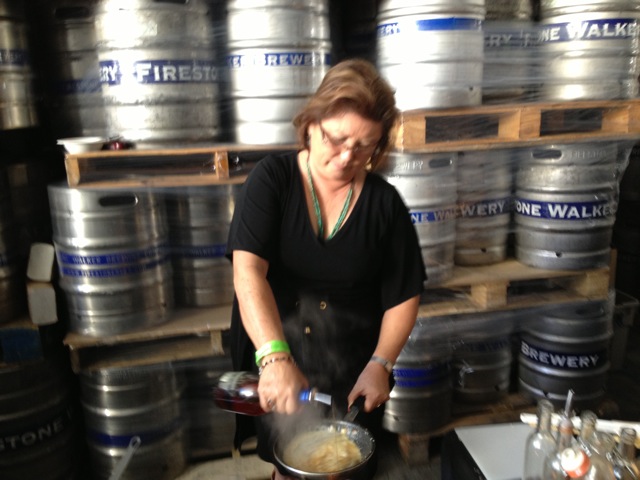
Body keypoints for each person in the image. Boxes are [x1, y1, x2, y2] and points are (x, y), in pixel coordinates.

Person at [226, 58, 426, 479]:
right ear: (311, 124)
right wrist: (274, 357)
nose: (347, 156)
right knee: (291, 463)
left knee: (348, 465)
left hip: (353, 366)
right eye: (336, 139)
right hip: (275, 351)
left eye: (365, 146)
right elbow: (248, 273)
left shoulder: (384, 203)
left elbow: (404, 293)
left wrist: (381, 363)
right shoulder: (272, 181)